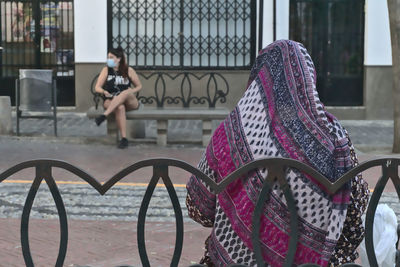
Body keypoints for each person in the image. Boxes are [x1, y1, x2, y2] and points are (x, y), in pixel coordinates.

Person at [186, 40, 369, 266]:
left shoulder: (230, 134)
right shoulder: (333, 137)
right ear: (307, 79)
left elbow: (199, 210)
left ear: (258, 79)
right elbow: (353, 216)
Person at [94, 47, 142, 149]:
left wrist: (130, 92)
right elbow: (97, 87)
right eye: (108, 57)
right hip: (111, 100)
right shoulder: (106, 70)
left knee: (124, 92)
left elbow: (139, 86)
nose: (109, 59)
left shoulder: (129, 70)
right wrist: (104, 91)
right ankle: (124, 139)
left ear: (119, 59)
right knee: (120, 108)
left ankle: (104, 116)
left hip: (130, 101)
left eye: (111, 57)